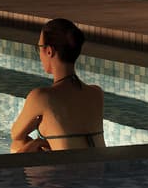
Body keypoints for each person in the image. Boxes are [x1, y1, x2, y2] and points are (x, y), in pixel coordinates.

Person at [10, 18, 107, 152]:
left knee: (18, 145)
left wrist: (36, 142)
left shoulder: (41, 97)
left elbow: (16, 134)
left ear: (49, 51)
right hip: (99, 171)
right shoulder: (97, 93)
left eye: (39, 48)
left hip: (67, 172)